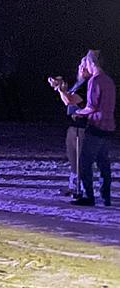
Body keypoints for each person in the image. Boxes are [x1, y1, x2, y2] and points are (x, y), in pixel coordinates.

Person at [71, 50, 115, 207]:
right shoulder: (108, 80)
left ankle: (89, 196)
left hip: (97, 125)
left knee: (84, 162)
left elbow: (91, 106)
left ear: (91, 63)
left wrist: (78, 112)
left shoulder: (95, 81)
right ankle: (106, 196)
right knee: (104, 163)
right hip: (108, 126)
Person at [48, 58, 88, 197]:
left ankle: (83, 189)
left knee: (80, 159)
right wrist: (60, 87)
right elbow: (68, 99)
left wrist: (61, 90)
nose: (81, 68)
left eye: (85, 66)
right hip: (73, 126)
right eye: (81, 65)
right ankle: (74, 186)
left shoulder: (87, 85)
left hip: (82, 127)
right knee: (73, 158)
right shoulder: (78, 83)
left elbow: (70, 100)